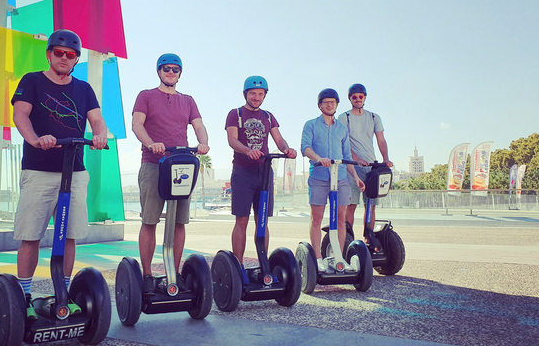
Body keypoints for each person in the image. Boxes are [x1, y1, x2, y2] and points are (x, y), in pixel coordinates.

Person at [11, 29, 108, 319]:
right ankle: (25, 296)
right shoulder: (32, 81)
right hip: (39, 171)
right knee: (30, 236)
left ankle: (63, 294)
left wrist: (100, 135)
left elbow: (97, 119)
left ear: (76, 59)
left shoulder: (83, 88)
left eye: (71, 54)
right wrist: (35, 139)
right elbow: (20, 115)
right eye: (59, 53)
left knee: (69, 236)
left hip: (74, 172)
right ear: (49, 54)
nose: (64, 58)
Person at [132, 53, 209, 294]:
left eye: (175, 69)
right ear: (159, 71)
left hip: (181, 165)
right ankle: (147, 275)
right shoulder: (146, 96)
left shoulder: (187, 100)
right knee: (150, 220)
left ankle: (173, 273)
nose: (171, 72)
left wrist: (203, 142)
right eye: (166, 68)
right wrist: (151, 143)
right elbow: (137, 125)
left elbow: (198, 125)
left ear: (180, 74)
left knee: (179, 222)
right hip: (154, 164)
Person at [225, 76, 297, 273]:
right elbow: (232, 140)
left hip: (264, 172)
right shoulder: (235, 114)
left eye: (260, 94)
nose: (256, 97)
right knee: (241, 220)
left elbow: (279, 140)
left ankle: (263, 266)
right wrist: (248, 150)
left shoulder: (268, 116)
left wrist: (287, 150)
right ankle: (237, 268)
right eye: (253, 93)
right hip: (242, 171)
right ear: (245, 94)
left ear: (264, 95)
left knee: (262, 220)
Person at [301, 88, 365, 271]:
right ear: (320, 105)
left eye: (333, 102)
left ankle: (339, 257)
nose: (329, 105)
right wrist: (318, 158)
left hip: (342, 177)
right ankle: (318, 259)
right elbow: (305, 148)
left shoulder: (342, 129)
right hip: (319, 177)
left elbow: (346, 156)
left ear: (337, 105)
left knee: (340, 217)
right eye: (326, 102)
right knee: (317, 218)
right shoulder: (311, 125)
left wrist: (355, 177)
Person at [337, 83, 393, 239]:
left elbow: (381, 140)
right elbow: (344, 144)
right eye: (354, 97)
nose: (357, 99)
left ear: (364, 98)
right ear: (350, 99)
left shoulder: (374, 117)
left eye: (360, 97)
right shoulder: (344, 117)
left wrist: (386, 159)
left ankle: (368, 239)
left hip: (371, 167)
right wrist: (357, 159)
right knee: (351, 206)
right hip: (353, 167)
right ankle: (348, 240)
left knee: (371, 206)